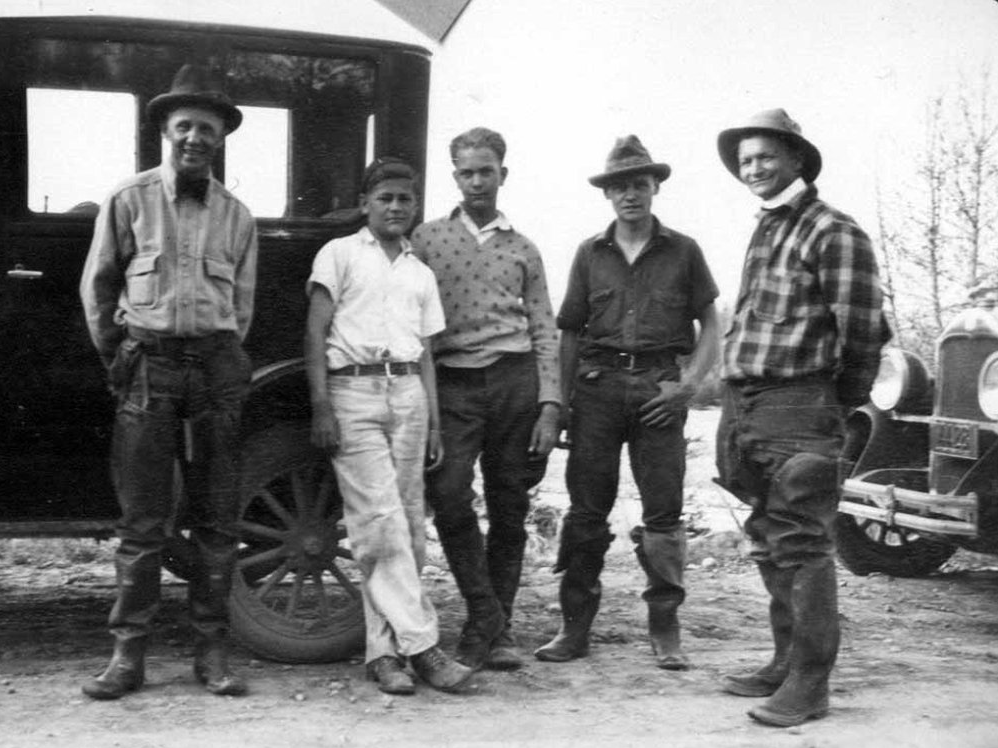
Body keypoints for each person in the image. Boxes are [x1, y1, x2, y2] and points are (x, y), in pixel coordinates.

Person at [79, 64, 257, 700]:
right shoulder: (129, 200)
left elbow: (241, 306)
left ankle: (212, 651)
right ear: (165, 130)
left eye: (207, 128)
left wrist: (216, 352)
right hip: (148, 368)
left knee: (217, 518)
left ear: (220, 138)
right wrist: (122, 358)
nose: (195, 138)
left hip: (214, 370)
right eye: (185, 126)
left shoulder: (236, 216)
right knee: (143, 521)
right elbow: (99, 289)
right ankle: (128, 655)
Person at [714, 109, 890, 726]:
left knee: (802, 540)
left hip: (800, 403)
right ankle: (786, 660)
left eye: (765, 157)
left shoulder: (832, 231)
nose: (753, 168)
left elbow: (862, 331)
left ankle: (810, 682)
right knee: (767, 534)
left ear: (796, 159)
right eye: (746, 160)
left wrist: (834, 405)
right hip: (748, 403)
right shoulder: (767, 229)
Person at [535, 135, 719, 671]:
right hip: (597, 389)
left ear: (655, 186)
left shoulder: (684, 251)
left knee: (663, 513)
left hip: (660, 391)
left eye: (639, 184)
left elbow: (711, 325)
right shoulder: (589, 253)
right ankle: (574, 627)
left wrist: (687, 386)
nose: (630, 195)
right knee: (586, 510)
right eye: (619, 187)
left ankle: (665, 627)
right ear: (607, 194)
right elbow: (570, 332)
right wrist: (561, 401)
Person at [305, 157, 473, 695]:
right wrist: (322, 406)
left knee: (408, 527)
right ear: (365, 204)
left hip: (408, 394)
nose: (396, 207)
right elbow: (315, 332)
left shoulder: (420, 272)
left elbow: (425, 354)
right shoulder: (339, 254)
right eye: (385, 198)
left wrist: (435, 424)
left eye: (405, 199)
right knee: (378, 524)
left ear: (415, 206)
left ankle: (384, 654)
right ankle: (424, 647)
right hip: (352, 392)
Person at [410, 127, 560, 671]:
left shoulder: (523, 248)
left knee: (510, 504)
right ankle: (484, 611)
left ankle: (495, 631)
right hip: (452, 383)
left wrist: (550, 404)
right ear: (455, 176)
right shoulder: (426, 239)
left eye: (486, 171)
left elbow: (543, 327)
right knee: (449, 494)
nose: (477, 181)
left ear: (503, 174)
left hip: (515, 381)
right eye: (467, 172)